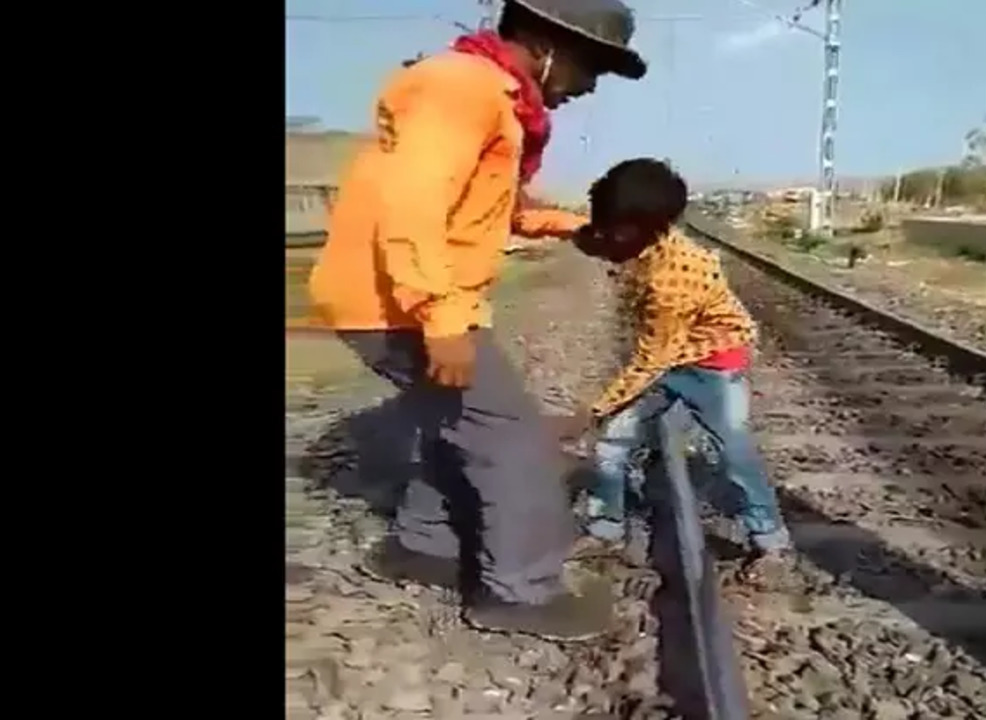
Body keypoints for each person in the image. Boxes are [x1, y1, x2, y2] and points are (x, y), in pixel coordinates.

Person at [307, 0, 648, 641]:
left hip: (396, 297)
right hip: (404, 303)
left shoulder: (487, 95)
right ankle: (518, 593)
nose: (590, 86)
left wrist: (578, 228)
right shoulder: (461, 89)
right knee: (513, 439)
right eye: (593, 67)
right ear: (551, 46)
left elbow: (492, 207)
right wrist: (443, 321)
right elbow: (414, 207)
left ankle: (422, 546)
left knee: (451, 423)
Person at [563, 158, 798, 588]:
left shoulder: (675, 277)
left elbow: (653, 358)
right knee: (614, 440)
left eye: (613, 228)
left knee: (730, 452)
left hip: (712, 363)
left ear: (647, 226)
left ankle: (772, 544)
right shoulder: (641, 243)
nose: (607, 235)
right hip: (671, 354)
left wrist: (591, 409)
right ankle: (605, 529)